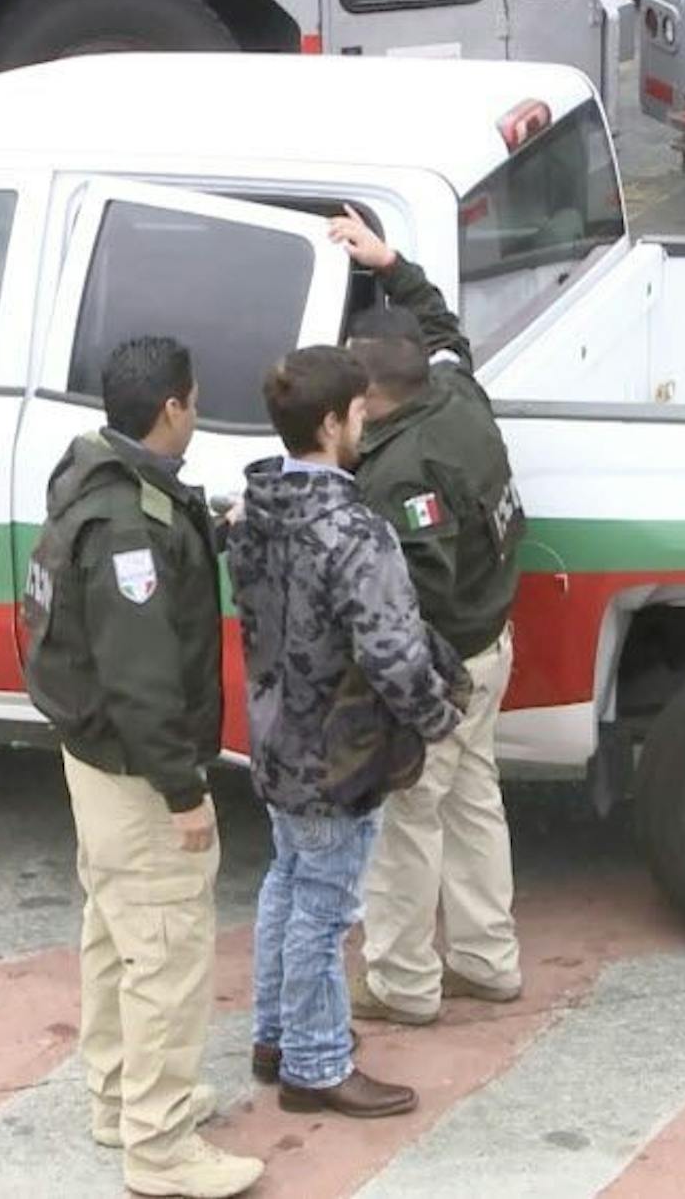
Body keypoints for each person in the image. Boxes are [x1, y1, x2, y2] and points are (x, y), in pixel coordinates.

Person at [21, 336, 263, 1199]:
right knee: (166, 947)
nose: (196, 413)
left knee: (117, 928)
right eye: (194, 401)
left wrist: (214, 530)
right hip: (135, 765)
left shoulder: (95, 477)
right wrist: (185, 792)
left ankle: (122, 1097)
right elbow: (142, 676)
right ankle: (161, 1148)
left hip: (92, 758)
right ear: (172, 408)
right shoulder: (128, 525)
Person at [226, 345, 467, 1118]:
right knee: (325, 909)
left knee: (288, 883)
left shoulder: (254, 509)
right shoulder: (356, 532)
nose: (367, 421)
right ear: (332, 422)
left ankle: (277, 1037)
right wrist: (439, 718)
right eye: (360, 411)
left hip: (273, 733)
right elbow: (393, 651)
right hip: (339, 748)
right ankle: (316, 1063)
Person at [328, 209, 528, 1027]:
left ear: (373, 399)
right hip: (491, 646)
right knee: (473, 802)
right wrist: (391, 265)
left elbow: (415, 590)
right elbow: (443, 331)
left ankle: (402, 983)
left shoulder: (399, 470)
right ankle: (487, 959)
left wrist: (402, 692)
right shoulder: (454, 388)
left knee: (407, 824)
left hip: (444, 666)